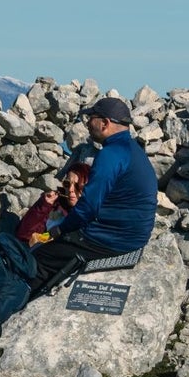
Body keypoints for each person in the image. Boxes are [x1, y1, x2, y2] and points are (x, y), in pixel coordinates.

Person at [34, 97, 157, 283]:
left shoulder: (110, 154)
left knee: (37, 260)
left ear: (105, 123)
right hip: (134, 237)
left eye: (91, 118)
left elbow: (89, 207)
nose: (87, 124)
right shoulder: (134, 150)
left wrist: (59, 230)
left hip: (109, 239)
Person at [17, 154, 94, 245]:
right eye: (67, 184)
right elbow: (23, 235)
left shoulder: (95, 215)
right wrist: (42, 206)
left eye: (78, 186)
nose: (70, 189)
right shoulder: (54, 205)